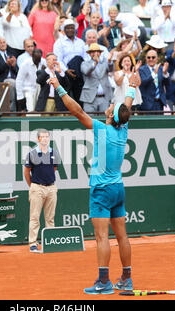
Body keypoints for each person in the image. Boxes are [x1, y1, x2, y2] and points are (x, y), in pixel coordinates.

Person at [48, 66, 140, 295]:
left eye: (112, 105)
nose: (111, 104)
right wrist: (133, 86)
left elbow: (78, 111)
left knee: (101, 237)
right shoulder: (123, 127)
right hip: (118, 188)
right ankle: (126, 279)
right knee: (122, 236)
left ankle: (104, 281)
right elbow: (126, 104)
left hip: (101, 190)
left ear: (110, 115)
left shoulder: (102, 129)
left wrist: (58, 87)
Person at [24, 129, 60, 253]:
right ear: (38, 139)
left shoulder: (54, 153)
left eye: (47, 136)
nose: (45, 139)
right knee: (34, 217)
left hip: (51, 188)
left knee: (50, 218)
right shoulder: (32, 154)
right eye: (42, 137)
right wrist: (33, 186)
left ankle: (49, 241)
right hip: (36, 188)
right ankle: (33, 243)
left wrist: (47, 183)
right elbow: (26, 172)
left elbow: (53, 169)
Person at [53, 18, 85, 104]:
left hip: (79, 73)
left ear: (75, 29)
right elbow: (58, 59)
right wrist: (66, 70)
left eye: (72, 28)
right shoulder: (59, 43)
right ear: (64, 30)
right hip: (66, 73)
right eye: (68, 28)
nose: (70, 30)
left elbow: (84, 58)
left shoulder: (81, 42)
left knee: (78, 59)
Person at [80, 43, 114, 113]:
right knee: (90, 120)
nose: (95, 54)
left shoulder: (104, 62)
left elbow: (111, 69)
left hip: (104, 98)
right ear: (89, 54)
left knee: (104, 119)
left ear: (100, 53)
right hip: (90, 98)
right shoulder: (85, 63)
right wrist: (95, 63)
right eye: (93, 52)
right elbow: (86, 71)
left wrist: (110, 61)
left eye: (97, 51)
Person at [139, 49, 170, 113]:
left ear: (157, 58)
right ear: (145, 58)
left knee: (159, 122)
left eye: (153, 57)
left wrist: (165, 73)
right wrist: (153, 74)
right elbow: (142, 83)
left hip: (159, 103)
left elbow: (168, 85)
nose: (151, 59)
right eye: (148, 57)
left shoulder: (161, 68)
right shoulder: (141, 69)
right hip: (147, 104)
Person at [16, 48, 46, 112]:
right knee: (30, 110)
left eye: (39, 59)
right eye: (36, 59)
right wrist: (20, 96)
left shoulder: (44, 62)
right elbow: (19, 80)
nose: (37, 62)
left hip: (40, 89)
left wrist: (44, 71)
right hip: (28, 89)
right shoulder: (25, 64)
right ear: (32, 56)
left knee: (39, 110)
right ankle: (29, 119)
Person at [0, 38, 18, 112]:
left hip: (13, 78)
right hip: (2, 79)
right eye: (0, 43)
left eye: (4, 42)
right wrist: (6, 64)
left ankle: (22, 109)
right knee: (13, 83)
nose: (3, 44)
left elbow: (18, 72)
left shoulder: (10, 54)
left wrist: (14, 65)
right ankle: (13, 111)